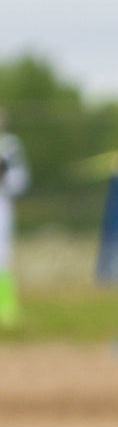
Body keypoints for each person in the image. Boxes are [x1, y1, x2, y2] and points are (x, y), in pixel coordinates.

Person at [0, 110, 30, 330]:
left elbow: (20, 181)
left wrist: (5, 173)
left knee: (2, 256)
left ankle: (6, 309)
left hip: (2, 205)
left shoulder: (10, 146)